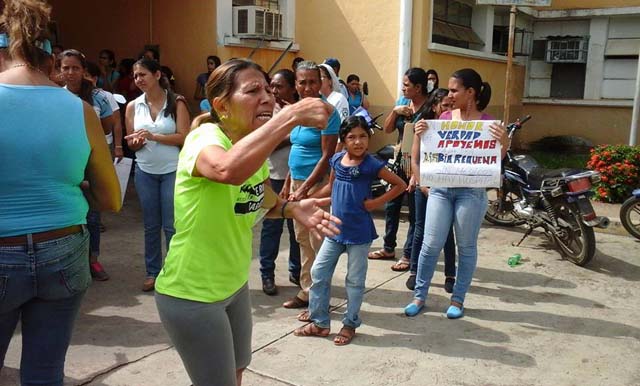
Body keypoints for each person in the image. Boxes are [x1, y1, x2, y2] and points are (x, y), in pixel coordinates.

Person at [153, 58, 339, 386]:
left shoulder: (253, 151)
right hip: (193, 295)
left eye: (268, 89)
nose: (267, 96)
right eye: (253, 90)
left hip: (235, 287)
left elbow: (262, 201)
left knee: (237, 373)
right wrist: (290, 117)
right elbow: (226, 170)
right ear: (222, 106)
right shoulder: (205, 138)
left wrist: (291, 209)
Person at [0, 1, 120, 384]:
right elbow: (112, 199)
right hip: (64, 248)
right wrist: (75, 188)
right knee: (46, 371)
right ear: (52, 59)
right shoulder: (81, 110)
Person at [404, 68, 507, 319]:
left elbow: (494, 160)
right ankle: (419, 295)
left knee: (466, 247)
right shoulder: (445, 118)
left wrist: (505, 142)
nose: (449, 95)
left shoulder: (487, 123)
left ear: (470, 92)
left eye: (454, 90)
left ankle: (458, 300)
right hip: (441, 190)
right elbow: (421, 152)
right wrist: (420, 138)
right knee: (430, 245)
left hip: (471, 193)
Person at [293, 116, 406, 345]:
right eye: (352, 137)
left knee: (354, 281)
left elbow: (400, 185)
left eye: (363, 136)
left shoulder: (371, 164)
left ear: (368, 138)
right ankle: (320, 321)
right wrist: (309, 198)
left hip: (359, 234)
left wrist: (375, 203)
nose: (358, 142)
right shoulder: (336, 160)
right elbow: (332, 187)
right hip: (334, 230)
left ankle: (350, 323)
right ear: (343, 140)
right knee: (319, 273)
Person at [124, 58, 189, 292]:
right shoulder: (133, 106)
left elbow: (184, 137)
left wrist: (153, 136)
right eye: (136, 76)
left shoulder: (176, 103)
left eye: (143, 75)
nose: (139, 80)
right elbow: (131, 144)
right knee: (151, 225)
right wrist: (136, 142)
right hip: (145, 171)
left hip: (172, 170)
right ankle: (152, 272)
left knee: (172, 225)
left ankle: (174, 271)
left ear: (158, 75)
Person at [281, 60, 341, 309]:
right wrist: (288, 184)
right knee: (302, 239)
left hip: (316, 187)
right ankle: (307, 291)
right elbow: (294, 149)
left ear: (321, 83)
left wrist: (304, 189)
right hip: (296, 183)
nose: (307, 87)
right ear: (296, 84)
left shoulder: (328, 113)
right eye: (302, 82)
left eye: (312, 82)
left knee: (318, 242)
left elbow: (327, 156)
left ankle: (320, 299)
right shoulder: (296, 111)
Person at [60, 48, 115, 281]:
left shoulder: (99, 97)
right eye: (65, 68)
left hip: (90, 161)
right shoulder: (55, 96)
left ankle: (93, 260)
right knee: (68, 214)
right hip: (63, 163)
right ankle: (69, 262)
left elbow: (107, 128)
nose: (70, 72)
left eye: (75, 68)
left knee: (92, 215)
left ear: (84, 71)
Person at [370, 68, 429, 266]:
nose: (403, 88)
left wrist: (418, 172)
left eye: (406, 85)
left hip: (418, 165)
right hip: (399, 162)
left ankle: (408, 254)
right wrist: (395, 112)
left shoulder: (429, 110)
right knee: (392, 206)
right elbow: (387, 129)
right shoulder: (403, 105)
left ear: (418, 88)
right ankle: (388, 248)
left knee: (414, 211)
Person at [404, 88, 457, 292]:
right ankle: (414, 271)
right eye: (445, 105)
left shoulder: (458, 129)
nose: (449, 110)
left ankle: (450, 275)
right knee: (420, 228)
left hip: (447, 186)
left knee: (447, 233)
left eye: (452, 106)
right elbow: (414, 157)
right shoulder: (423, 127)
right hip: (424, 185)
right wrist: (419, 182)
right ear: (435, 106)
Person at [258, 68, 301, 295]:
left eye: (279, 86)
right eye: (271, 86)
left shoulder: (299, 110)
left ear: (293, 88)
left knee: (296, 228)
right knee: (271, 227)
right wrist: (291, 133)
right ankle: (267, 274)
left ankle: (296, 271)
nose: (273, 91)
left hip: (296, 178)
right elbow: (269, 143)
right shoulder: (266, 111)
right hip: (273, 176)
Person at [85, 61, 124, 160]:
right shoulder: (66, 95)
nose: (83, 79)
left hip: (104, 146)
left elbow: (116, 123)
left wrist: (118, 146)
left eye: (86, 75)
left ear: (94, 79)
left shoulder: (105, 96)